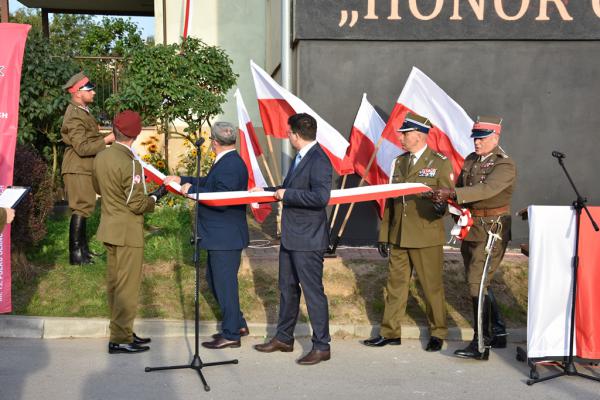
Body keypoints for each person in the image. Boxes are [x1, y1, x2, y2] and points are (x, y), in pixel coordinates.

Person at [363, 112, 454, 352]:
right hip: (399, 235)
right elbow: (392, 201)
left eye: (405, 133)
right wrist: (384, 234)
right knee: (395, 285)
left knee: (431, 286)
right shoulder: (399, 162)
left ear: (418, 135)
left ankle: (438, 332)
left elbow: (447, 198)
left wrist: (440, 207)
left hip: (426, 235)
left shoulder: (439, 162)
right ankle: (390, 332)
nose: (401, 137)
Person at [432, 116, 516, 360]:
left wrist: (452, 192)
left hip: (493, 228)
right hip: (472, 227)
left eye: (482, 138)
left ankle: (481, 344)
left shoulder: (505, 165)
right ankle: (497, 332)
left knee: (476, 282)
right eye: (475, 138)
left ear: (495, 138)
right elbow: (460, 188)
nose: (477, 143)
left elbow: (485, 190)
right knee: (480, 282)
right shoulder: (471, 160)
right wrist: (444, 200)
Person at [252, 113, 333, 366]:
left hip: (308, 240)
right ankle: (284, 338)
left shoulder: (319, 159)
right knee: (286, 289)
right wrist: (265, 192)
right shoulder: (301, 157)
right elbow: (286, 189)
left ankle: (322, 346)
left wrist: (287, 194)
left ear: (296, 135)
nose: (287, 136)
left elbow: (321, 198)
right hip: (291, 237)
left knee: (313, 293)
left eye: (288, 133)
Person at [164, 122, 250, 349]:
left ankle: (231, 334)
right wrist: (184, 180)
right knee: (216, 281)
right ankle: (238, 323)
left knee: (224, 285)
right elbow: (210, 184)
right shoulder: (228, 161)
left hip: (225, 236)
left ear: (214, 142)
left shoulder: (230, 165)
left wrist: (191, 191)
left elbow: (220, 198)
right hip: (221, 235)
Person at [92, 110, 167, 354]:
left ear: (115, 131)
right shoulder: (130, 162)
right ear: (135, 134)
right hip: (127, 232)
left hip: (109, 228)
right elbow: (136, 203)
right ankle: (121, 338)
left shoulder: (101, 157)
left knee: (115, 284)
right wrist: (155, 197)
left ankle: (121, 331)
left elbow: (98, 188)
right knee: (127, 287)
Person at [61, 72, 115, 265]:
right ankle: (76, 255)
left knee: (85, 208)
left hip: (83, 167)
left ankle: (83, 251)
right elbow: (82, 147)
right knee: (81, 208)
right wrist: (108, 139)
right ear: (77, 93)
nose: (93, 92)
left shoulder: (82, 111)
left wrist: (110, 134)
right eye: (89, 89)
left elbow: (90, 139)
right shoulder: (74, 115)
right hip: (77, 167)